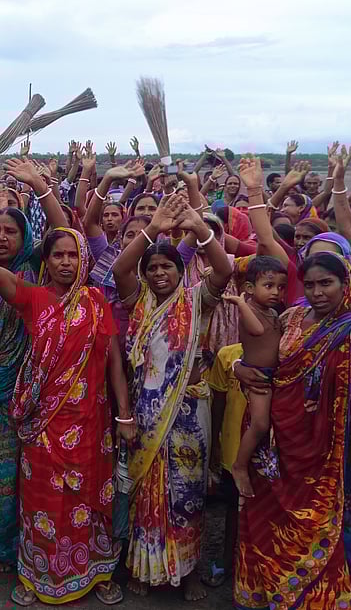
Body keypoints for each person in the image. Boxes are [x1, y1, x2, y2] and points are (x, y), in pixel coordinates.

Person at [0, 201, 130, 606]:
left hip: (91, 423)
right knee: (40, 499)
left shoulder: (94, 302)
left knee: (91, 498)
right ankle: (37, 574)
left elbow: (114, 364)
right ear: (46, 261)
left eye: (73, 255)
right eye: (58, 255)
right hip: (43, 426)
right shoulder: (33, 299)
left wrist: (124, 414)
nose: (66, 262)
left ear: (83, 259)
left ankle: (97, 571)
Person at [232, 235, 351, 609]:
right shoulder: (289, 317)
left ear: (345, 285)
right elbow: (260, 358)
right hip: (272, 439)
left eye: (327, 283)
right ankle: (267, 597)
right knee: (263, 517)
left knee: (311, 524)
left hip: (318, 448)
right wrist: (240, 368)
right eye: (311, 285)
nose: (318, 292)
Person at [113, 192, 233, 601]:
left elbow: (224, 267)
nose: (159, 272)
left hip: (188, 415)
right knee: (145, 491)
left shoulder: (198, 301)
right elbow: (120, 267)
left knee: (186, 492)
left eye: (167, 266)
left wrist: (199, 228)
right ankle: (145, 568)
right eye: (153, 268)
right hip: (145, 413)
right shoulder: (139, 303)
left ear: (182, 272)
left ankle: (189, 570)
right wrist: (152, 227)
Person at [0, 150, 69, 573]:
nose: (2, 237)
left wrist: (42, 188)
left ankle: (31, 539)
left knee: (32, 471)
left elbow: (64, 233)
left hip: (29, 387)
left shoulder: (33, 269)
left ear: (24, 240)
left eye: (10, 231)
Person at [225, 257, 286, 499]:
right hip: (256, 375)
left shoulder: (272, 312)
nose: (276, 292)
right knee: (260, 424)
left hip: (271, 377)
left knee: (268, 426)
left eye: (281, 287)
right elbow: (257, 330)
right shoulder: (249, 308)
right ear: (250, 288)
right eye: (269, 286)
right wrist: (241, 304)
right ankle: (239, 465)